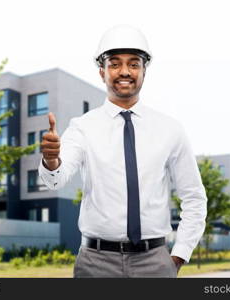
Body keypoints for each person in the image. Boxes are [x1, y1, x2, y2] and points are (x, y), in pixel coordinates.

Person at [39, 24, 207, 278]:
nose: (125, 71)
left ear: (144, 71)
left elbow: (194, 197)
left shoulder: (170, 129)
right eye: (115, 64)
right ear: (102, 72)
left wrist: (179, 255)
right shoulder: (82, 127)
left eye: (134, 64)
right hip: (95, 264)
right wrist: (51, 160)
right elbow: (56, 180)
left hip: (155, 263)